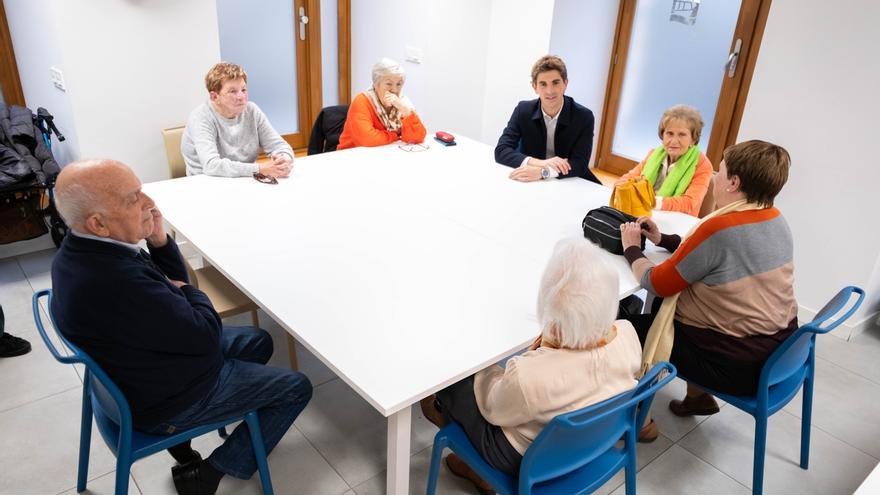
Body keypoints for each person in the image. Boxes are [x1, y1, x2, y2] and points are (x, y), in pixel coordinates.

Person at [50, 159, 312, 495]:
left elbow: (169, 290)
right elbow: (203, 332)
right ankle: (207, 474)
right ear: (98, 223)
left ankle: (212, 428)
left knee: (258, 340)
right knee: (296, 387)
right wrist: (190, 291)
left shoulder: (81, 251)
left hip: (135, 374)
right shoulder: (118, 281)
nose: (149, 203)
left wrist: (159, 243)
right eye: (133, 199)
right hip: (164, 402)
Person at [420, 238, 641, 494]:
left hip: (523, 460)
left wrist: (486, 368)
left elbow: (493, 409)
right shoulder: (628, 334)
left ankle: (469, 454)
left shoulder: (528, 376)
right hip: (596, 443)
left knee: (454, 377)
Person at [620, 140, 796, 419]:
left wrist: (631, 248)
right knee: (681, 304)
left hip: (733, 368)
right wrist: (662, 239)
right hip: (778, 355)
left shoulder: (720, 228)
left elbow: (656, 283)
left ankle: (631, 419)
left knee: (626, 329)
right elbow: (712, 254)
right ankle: (697, 398)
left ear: (733, 183)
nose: (715, 178)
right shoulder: (775, 218)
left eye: (721, 172)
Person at [495, 55, 599, 184]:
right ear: (534, 87)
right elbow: (501, 150)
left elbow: (580, 163)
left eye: (556, 83)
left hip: (570, 180)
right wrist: (541, 163)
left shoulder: (584, 117)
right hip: (533, 179)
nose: (550, 91)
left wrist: (543, 172)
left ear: (565, 83)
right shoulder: (523, 110)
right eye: (543, 84)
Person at [182, 62, 294, 178]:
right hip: (206, 181)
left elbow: (279, 146)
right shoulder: (201, 117)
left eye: (243, 90)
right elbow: (211, 165)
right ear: (214, 97)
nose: (241, 97)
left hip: (245, 179)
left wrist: (283, 160)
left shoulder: (252, 111)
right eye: (232, 91)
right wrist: (259, 169)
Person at [614, 105, 713, 217]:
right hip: (644, 213)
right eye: (670, 133)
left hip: (676, 220)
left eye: (682, 135)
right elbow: (624, 181)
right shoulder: (654, 154)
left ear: (693, 140)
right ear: (663, 135)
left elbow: (689, 203)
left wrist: (650, 201)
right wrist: (623, 190)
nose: (674, 141)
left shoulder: (702, 165)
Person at [336, 58, 427, 150]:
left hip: (383, 151)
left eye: (398, 84)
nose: (395, 90)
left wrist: (405, 111)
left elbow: (417, 137)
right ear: (376, 85)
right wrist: (395, 136)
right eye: (389, 84)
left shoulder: (403, 102)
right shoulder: (361, 101)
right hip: (351, 153)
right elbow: (367, 139)